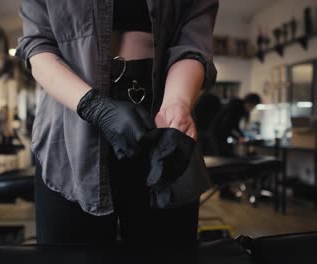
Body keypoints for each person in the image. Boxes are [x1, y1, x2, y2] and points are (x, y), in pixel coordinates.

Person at [16, 0, 218, 247]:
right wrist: (94, 106)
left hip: (163, 126)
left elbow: (192, 45)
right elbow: (38, 46)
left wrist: (177, 106)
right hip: (71, 127)